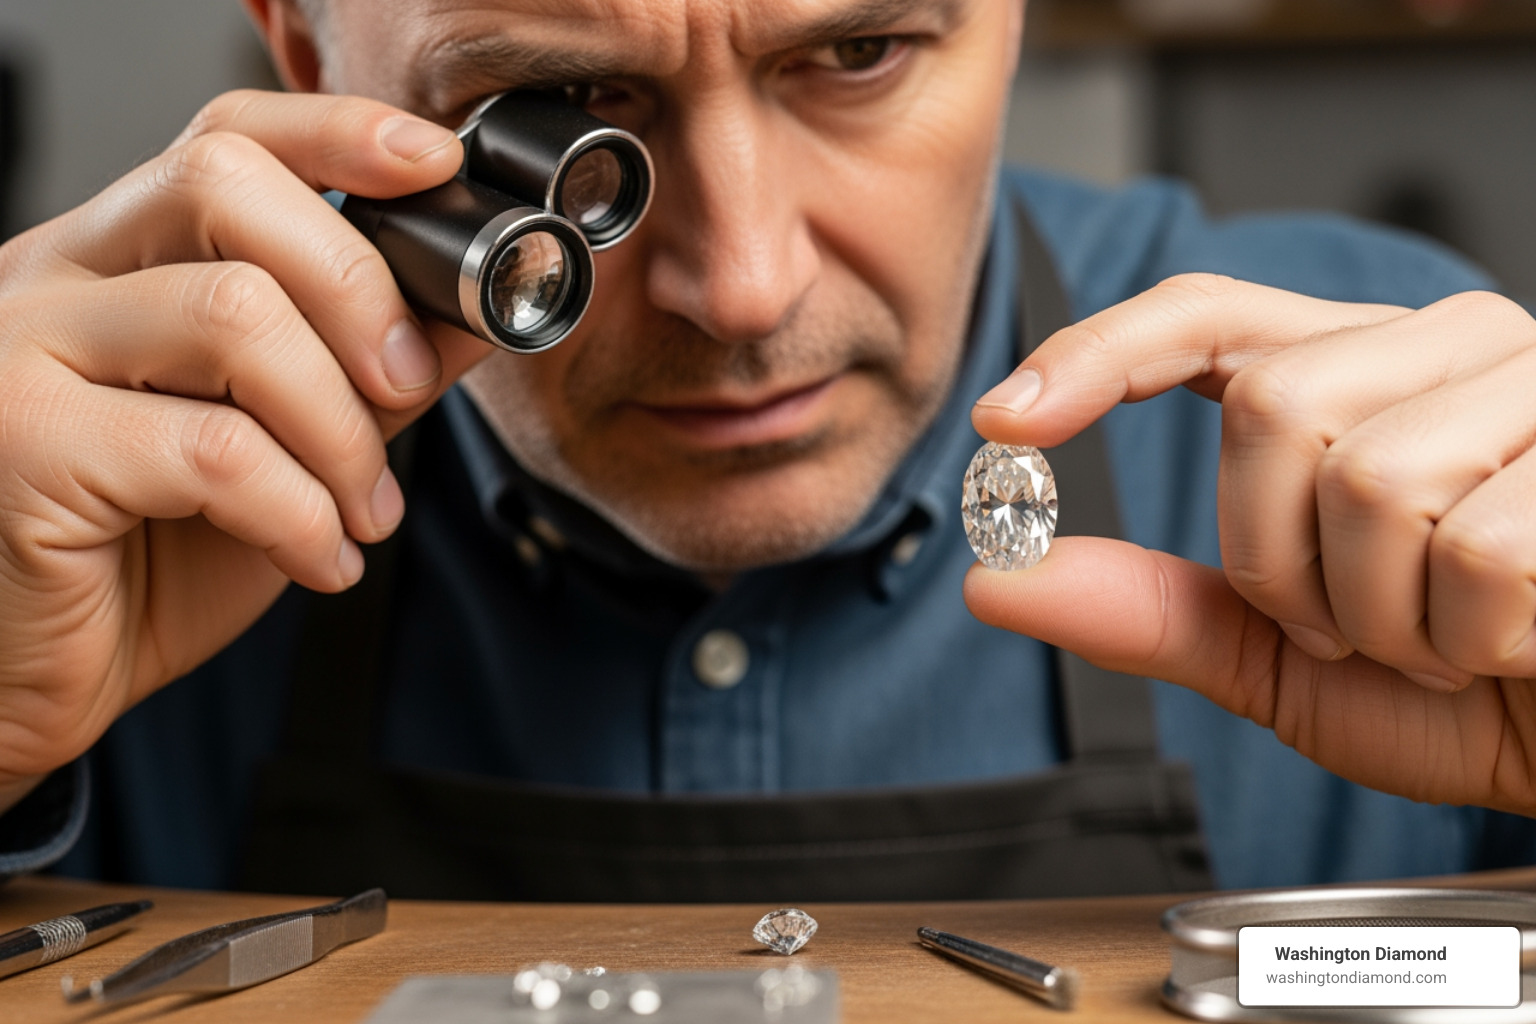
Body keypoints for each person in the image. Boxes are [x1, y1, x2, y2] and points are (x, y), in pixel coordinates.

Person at [1, 0, 1534, 899]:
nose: (740, 286)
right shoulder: (76, 490)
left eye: (857, 50)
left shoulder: (1397, 398)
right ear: (302, 40)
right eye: (567, 106)